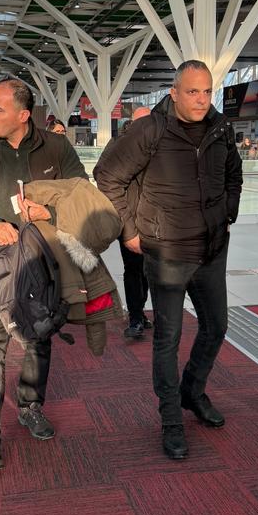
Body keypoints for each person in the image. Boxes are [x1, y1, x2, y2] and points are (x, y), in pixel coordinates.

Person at [94, 60, 242, 460]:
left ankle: (192, 391)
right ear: (174, 93)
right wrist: (129, 230)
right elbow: (107, 175)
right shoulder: (149, 129)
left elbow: (234, 175)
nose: (201, 100)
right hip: (167, 250)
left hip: (211, 249)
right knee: (168, 338)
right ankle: (171, 417)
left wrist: (228, 212)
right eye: (192, 91)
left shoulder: (221, 128)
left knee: (216, 327)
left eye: (207, 91)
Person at [0, 78, 87, 473]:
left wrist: (50, 212)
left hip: (40, 266)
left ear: (23, 115)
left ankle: (30, 405)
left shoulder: (56, 147)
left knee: (38, 340)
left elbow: (82, 193)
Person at [98, 104, 153, 340]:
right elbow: (102, 172)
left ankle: (139, 311)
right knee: (133, 269)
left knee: (148, 270)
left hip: (153, 219)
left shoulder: (157, 144)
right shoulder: (119, 144)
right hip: (129, 217)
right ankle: (136, 317)